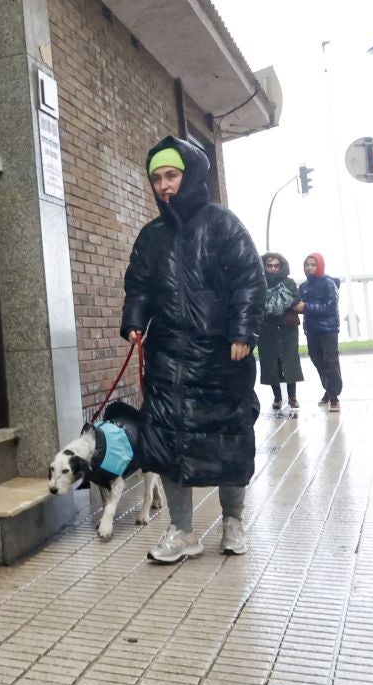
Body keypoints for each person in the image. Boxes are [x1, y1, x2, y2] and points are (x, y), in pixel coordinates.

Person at [120, 137, 263, 564]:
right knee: (165, 441)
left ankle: (232, 521)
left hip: (222, 357)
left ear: (191, 176)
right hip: (168, 359)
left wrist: (242, 332)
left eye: (171, 175)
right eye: (157, 178)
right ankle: (182, 531)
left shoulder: (223, 223)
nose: (164, 186)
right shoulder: (151, 237)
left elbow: (249, 280)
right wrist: (134, 322)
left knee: (229, 438)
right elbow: (139, 285)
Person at [258, 252, 304, 412]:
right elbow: (257, 303)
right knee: (270, 363)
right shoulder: (259, 283)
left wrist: (280, 304)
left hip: (287, 328)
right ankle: (277, 397)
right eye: (269, 265)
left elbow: (294, 299)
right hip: (266, 329)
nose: (273, 268)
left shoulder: (289, 282)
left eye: (276, 265)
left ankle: (292, 397)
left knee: (290, 360)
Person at [299, 253, 343, 410]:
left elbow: (330, 306)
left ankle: (334, 396)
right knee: (317, 360)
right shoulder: (303, 286)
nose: (309, 267)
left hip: (328, 329)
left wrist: (306, 307)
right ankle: (329, 389)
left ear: (320, 266)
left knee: (330, 362)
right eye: (307, 264)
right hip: (311, 330)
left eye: (313, 264)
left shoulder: (328, 283)